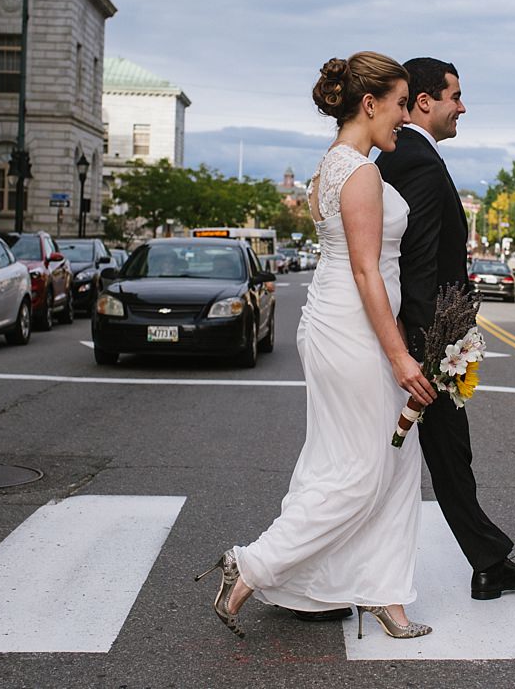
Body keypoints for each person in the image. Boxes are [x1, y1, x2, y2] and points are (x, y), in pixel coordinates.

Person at [197, 52, 437, 640]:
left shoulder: (329, 169)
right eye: (401, 103)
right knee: (361, 468)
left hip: (340, 322)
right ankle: (250, 566)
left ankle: (384, 594)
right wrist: (400, 355)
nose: (405, 117)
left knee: (386, 460)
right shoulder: (359, 173)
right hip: (352, 328)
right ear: (369, 103)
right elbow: (365, 272)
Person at [377, 57, 515, 601]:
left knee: (443, 452)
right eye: (455, 95)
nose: (463, 106)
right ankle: (486, 560)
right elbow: (419, 259)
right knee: (407, 454)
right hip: (425, 338)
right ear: (424, 101)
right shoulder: (418, 162)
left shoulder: (403, 155)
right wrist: (428, 351)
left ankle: (488, 559)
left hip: (424, 332)